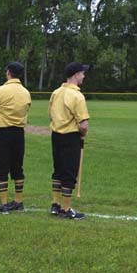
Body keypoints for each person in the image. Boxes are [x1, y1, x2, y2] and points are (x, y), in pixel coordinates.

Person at [0, 61, 32, 214]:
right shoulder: (26, 92)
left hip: (3, 133)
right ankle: (18, 201)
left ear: (8, 73)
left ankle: (4, 204)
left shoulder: (0, 91)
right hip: (19, 134)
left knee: (2, 168)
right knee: (17, 167)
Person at [48, 62, 90, 220]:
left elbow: (50, 114)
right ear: (76, 75)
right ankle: (65, 209)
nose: (84, 76)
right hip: (71, 137)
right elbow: (83, 125)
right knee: (69, 172)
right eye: (82, 73)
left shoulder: (56, 92)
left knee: (58, 170)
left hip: (56, 135)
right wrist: (83, 134)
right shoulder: (77, 96)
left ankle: (55, 204)